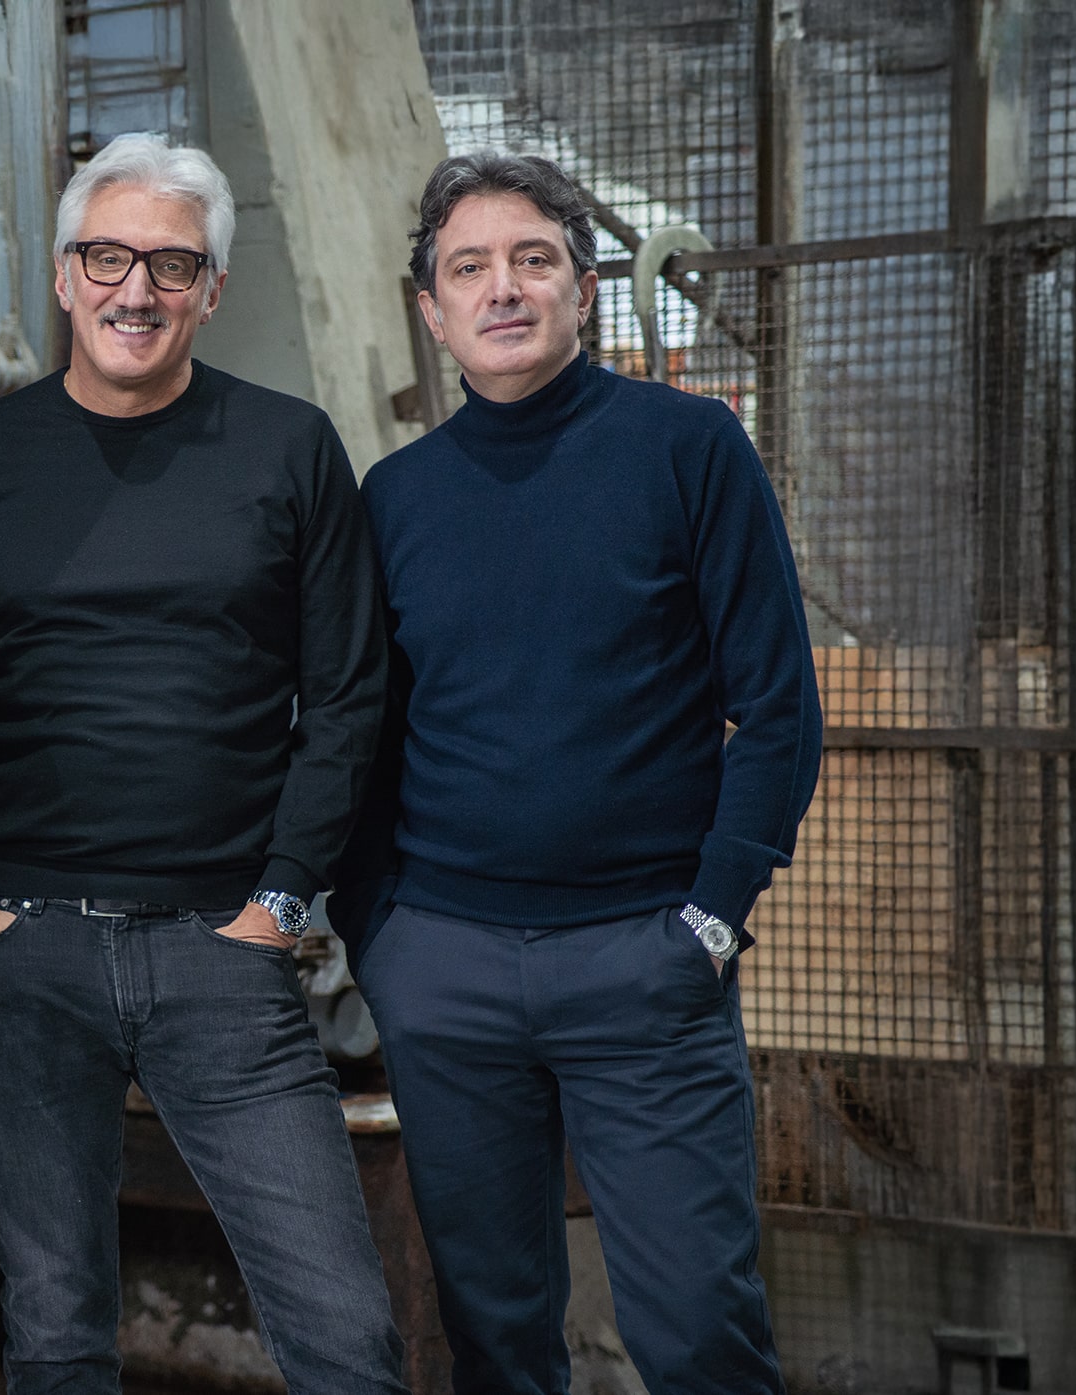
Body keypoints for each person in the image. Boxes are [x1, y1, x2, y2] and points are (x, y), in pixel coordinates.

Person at [0, 133, 406, 1394]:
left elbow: (350, 691)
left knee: (347, 1336)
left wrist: (283, 895)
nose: (138, 289)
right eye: (108, 257)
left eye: (173, 264)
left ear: (213, 289)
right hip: (23, 951)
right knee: (56, 1335)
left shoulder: (288, 447)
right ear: (62, 275)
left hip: (222, 950)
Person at [337, 150, 823, 1395]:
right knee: (495, 1340)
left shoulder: (688, 448)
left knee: (700, 1332)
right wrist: (381, 936)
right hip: (445, 973)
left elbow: (777, 708)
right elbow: (365, 732)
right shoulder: (396, 497)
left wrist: (710, 918)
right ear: (433, 310)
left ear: (585, 286)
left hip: (642, 962)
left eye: (532, 259)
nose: (503, 288)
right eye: (469, 269)